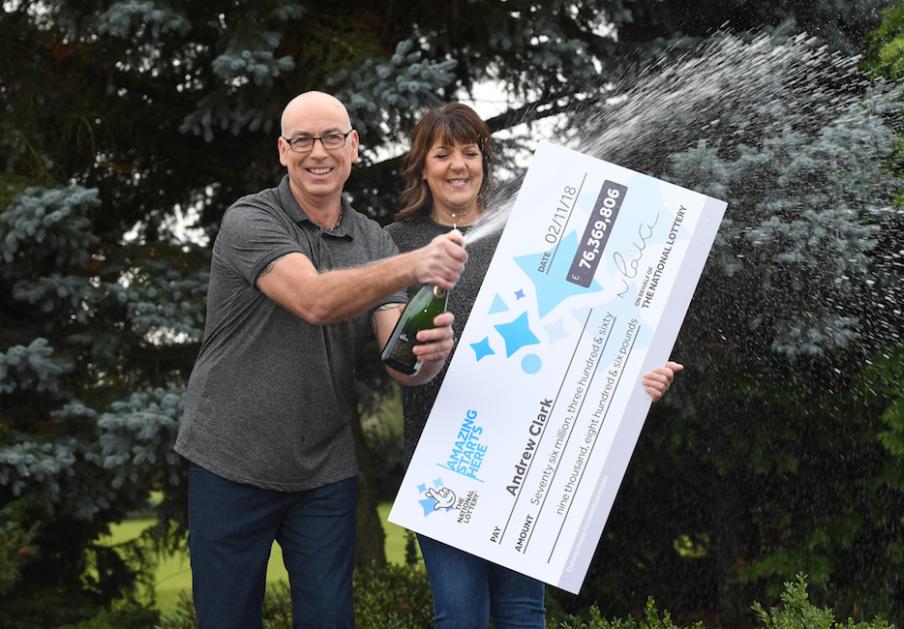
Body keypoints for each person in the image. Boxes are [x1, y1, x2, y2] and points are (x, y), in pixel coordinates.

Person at [174, 91, 468, 629]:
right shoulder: (250, 219)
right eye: (302, 140)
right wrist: (413, 264)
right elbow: (314, 300)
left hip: (322, 469)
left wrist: (428, 355)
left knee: (330, 619)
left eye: (332, 137)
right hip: (230, 458)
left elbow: (399, 361)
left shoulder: (373, 241)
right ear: (282, 151)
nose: (319, 152)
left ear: (354, 147)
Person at [386, 102, 683, 628]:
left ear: (485, 161)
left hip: (526, 453)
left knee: (524, 613)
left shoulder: (528, 230)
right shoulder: (399, 243)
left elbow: (582, 329)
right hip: (442, 460)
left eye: (470, 152)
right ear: (421, 165)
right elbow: (394, 353)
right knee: (460, 615)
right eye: (443, 153)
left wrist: (638, 379)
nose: (458, 165)